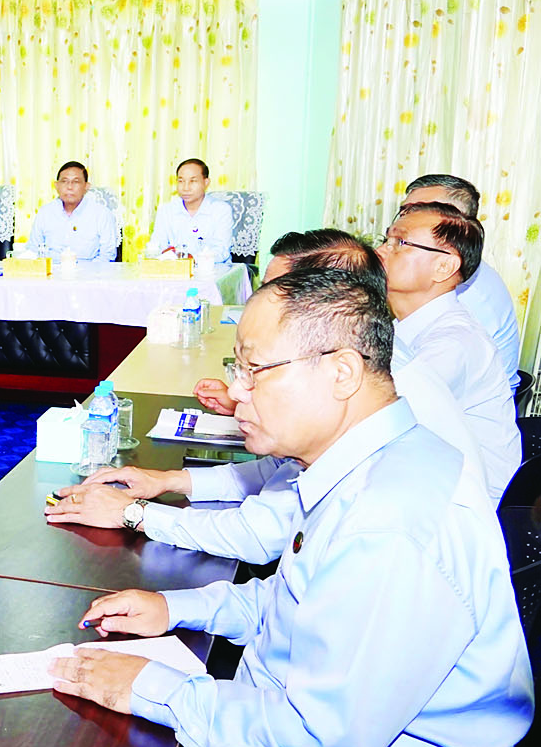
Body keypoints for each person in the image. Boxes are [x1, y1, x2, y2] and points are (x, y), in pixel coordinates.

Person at [48, 268, 532, 747]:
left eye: (254, 370)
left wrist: (148, 687)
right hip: (295, 731)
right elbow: (298, 604)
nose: (236, 391)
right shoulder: (366, 462)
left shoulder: (389, 525)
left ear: (342, 373)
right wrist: (177, 607)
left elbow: (321, 741)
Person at [47, 232, 489, 560]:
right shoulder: (367, 368)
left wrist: (136, 513)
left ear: (328, 303)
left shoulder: (380, 397)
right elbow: (279, 476)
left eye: (278, 294)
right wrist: (170, 481)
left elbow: (261, 533)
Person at [380, 201, 519, 501]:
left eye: (400, 243)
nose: (381, 251)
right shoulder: (402, 325)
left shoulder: (454, 343)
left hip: (470, 503)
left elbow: (379, 418)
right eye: (385, 239)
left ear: (444, 267)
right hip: (426, 478)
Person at [403, 174, 521, 389]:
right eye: (404, 211)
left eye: (420, 212)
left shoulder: (468, 293)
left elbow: (423, 386)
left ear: (459, 224)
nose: (405, 221)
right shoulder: (424, 268)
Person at [27, 161, 118, 262]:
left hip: (89, 271)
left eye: (76, 182)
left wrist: (86, 271)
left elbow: (107, 255)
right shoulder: (45, 213)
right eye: (64, 181)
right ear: (56, 186)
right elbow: (33, 250)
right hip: (51, 270)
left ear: (86, 186)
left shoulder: (102, 214)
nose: (69, 187)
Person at [149, 158, 233, 263]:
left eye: (193, 181)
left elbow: (221, 250)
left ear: (206, 182)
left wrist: (191, 259)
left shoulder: (221, 210)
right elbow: (157, 245)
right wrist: (161, 254)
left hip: (212, 269)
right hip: (175, 269)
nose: (186, 188)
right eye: (181, 181)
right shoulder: (166, 210)